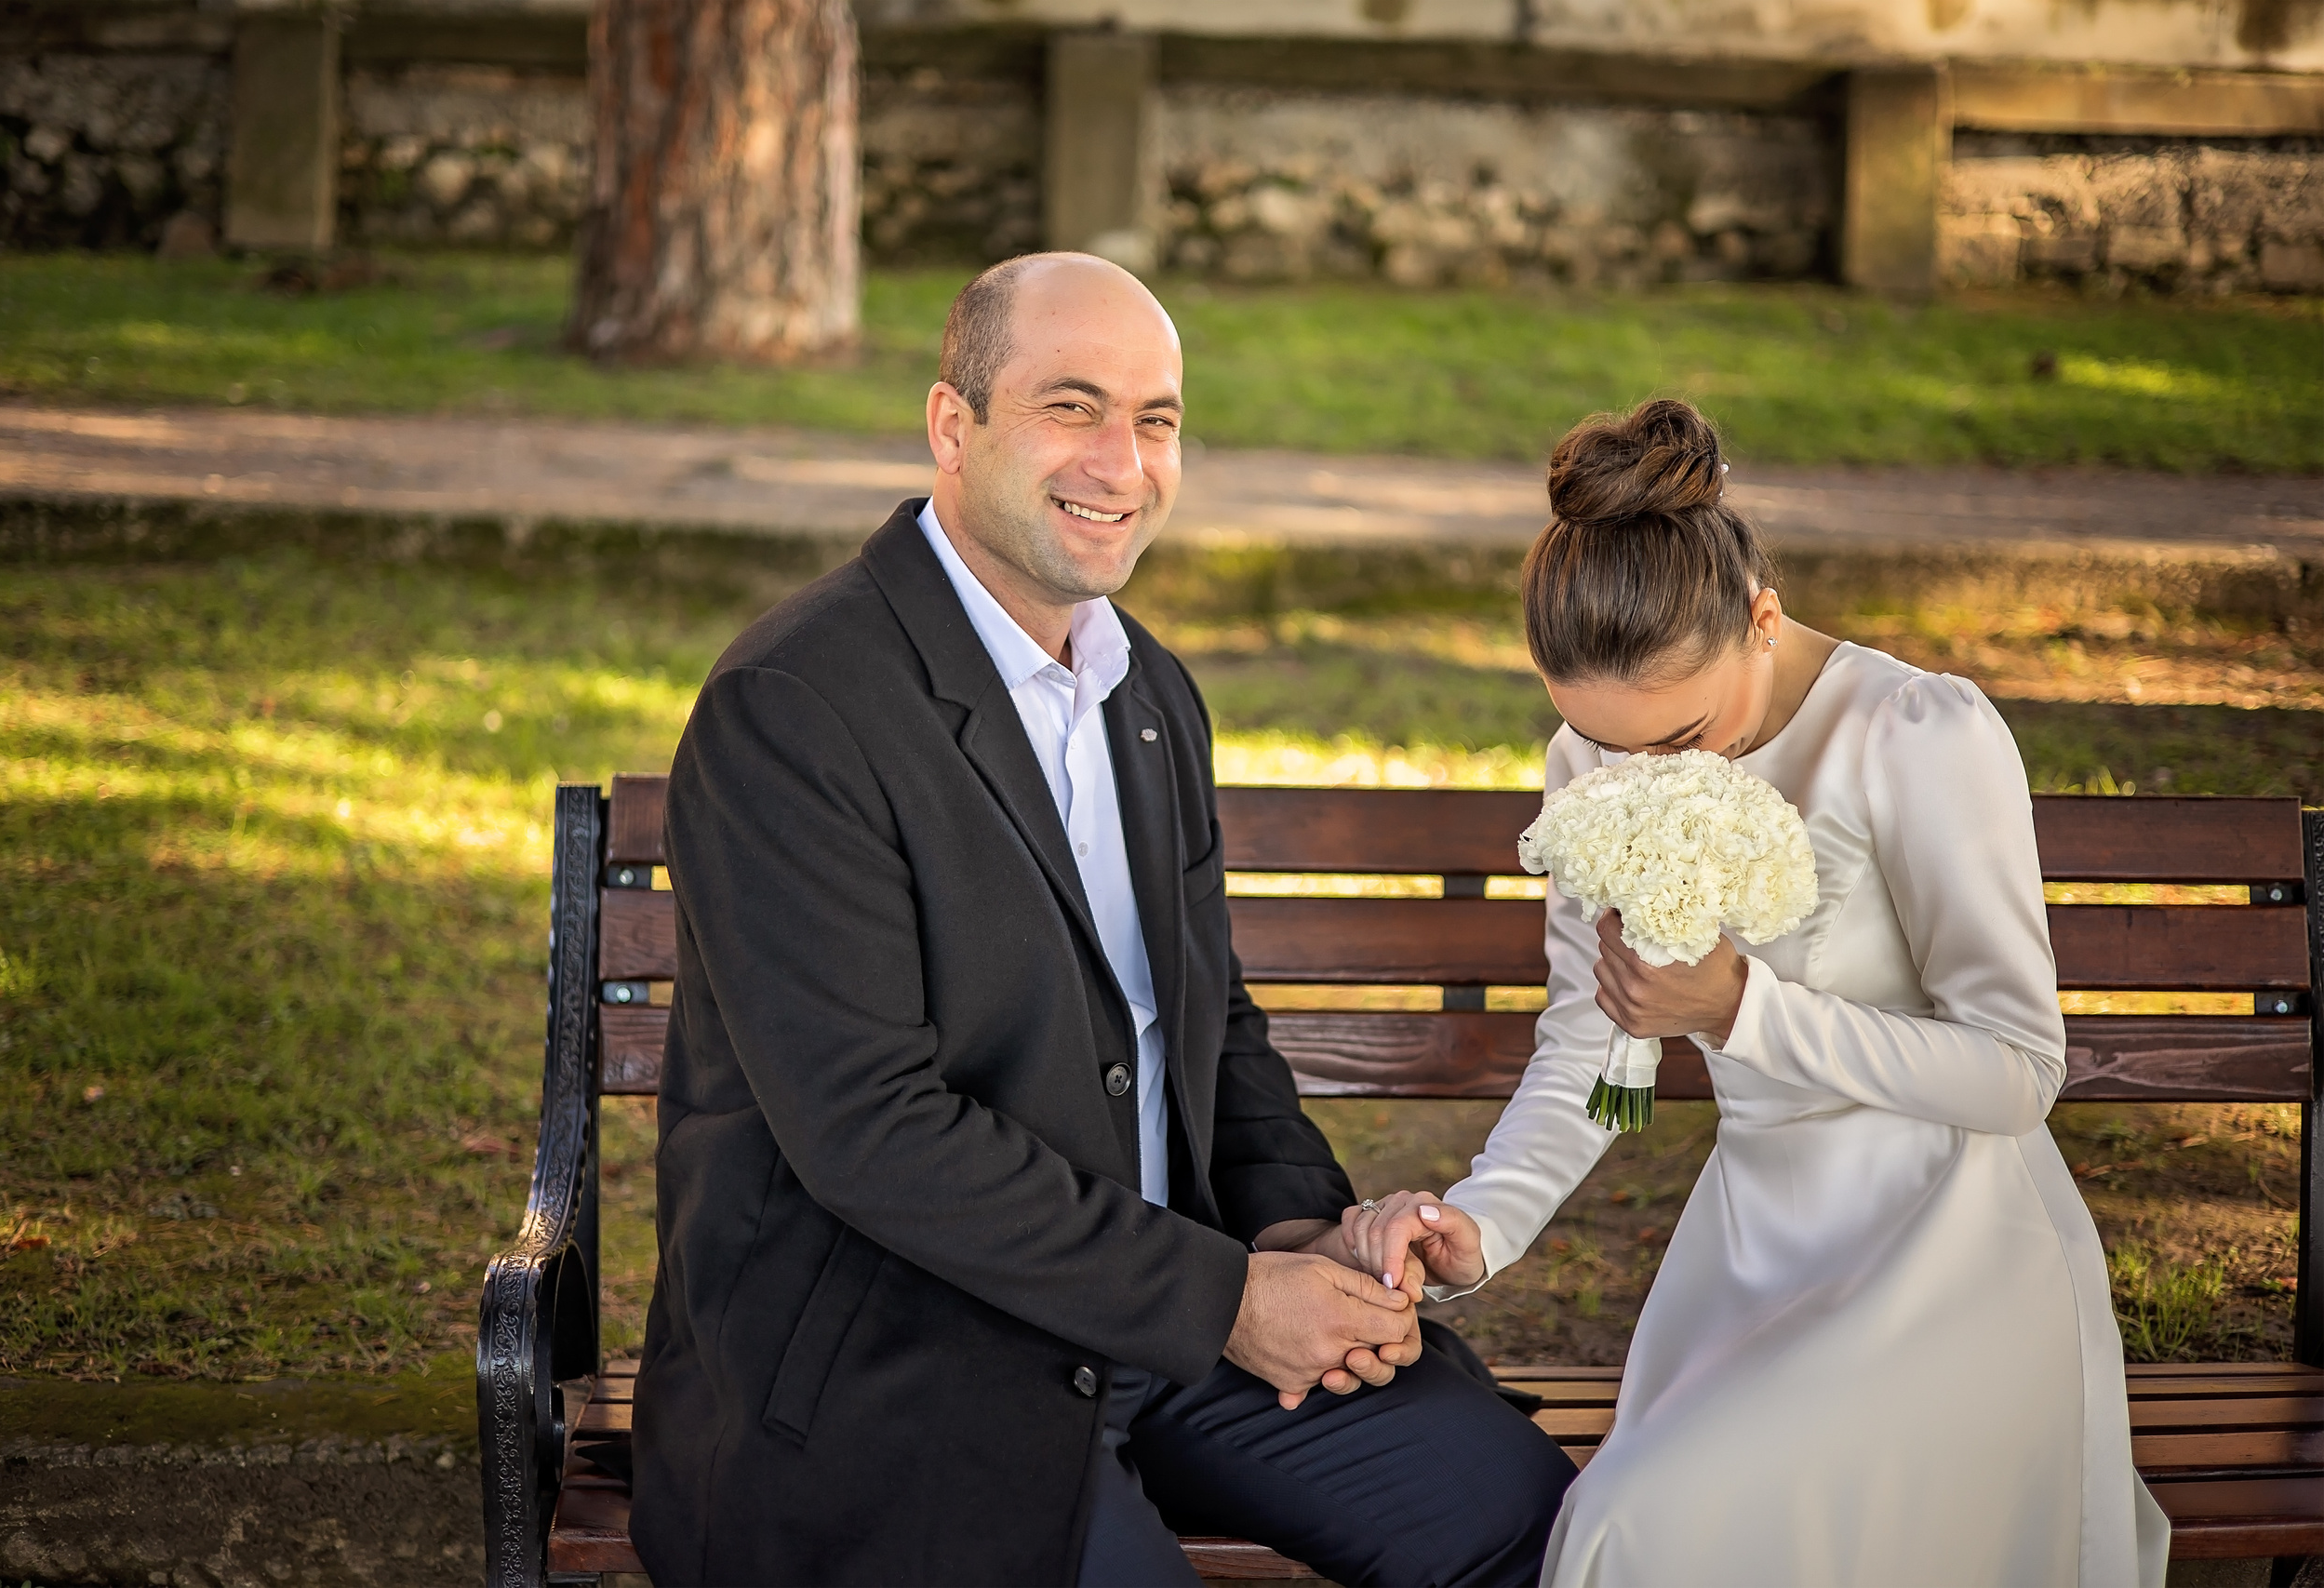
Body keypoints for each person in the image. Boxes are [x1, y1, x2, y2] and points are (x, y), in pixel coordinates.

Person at [630, 252, 1579, 1587]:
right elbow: (872, 1131)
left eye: (1158, 419)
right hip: (914, 1360)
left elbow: (1207, 1015)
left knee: (1540, 1526)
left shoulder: (1146, 691)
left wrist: (1307, 1233)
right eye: (1072, 408)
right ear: (952, 426)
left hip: (1170, 1319)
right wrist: (1230, 1299)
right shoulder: (797, 705)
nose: (1123, 461)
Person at [1348, 398, 2170, 1588]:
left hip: (1954, 1254)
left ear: (1761, 618)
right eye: (1598, 744)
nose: (1639, 775)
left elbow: (2017, 1075)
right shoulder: (1593, 754)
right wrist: (1484, 1228)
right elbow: (1592, 1041)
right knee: (1624, 1525)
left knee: (1666, 1531)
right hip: (1753, 1246)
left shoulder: (1910, 733)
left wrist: (1742, 1011)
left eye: (1679, 734)